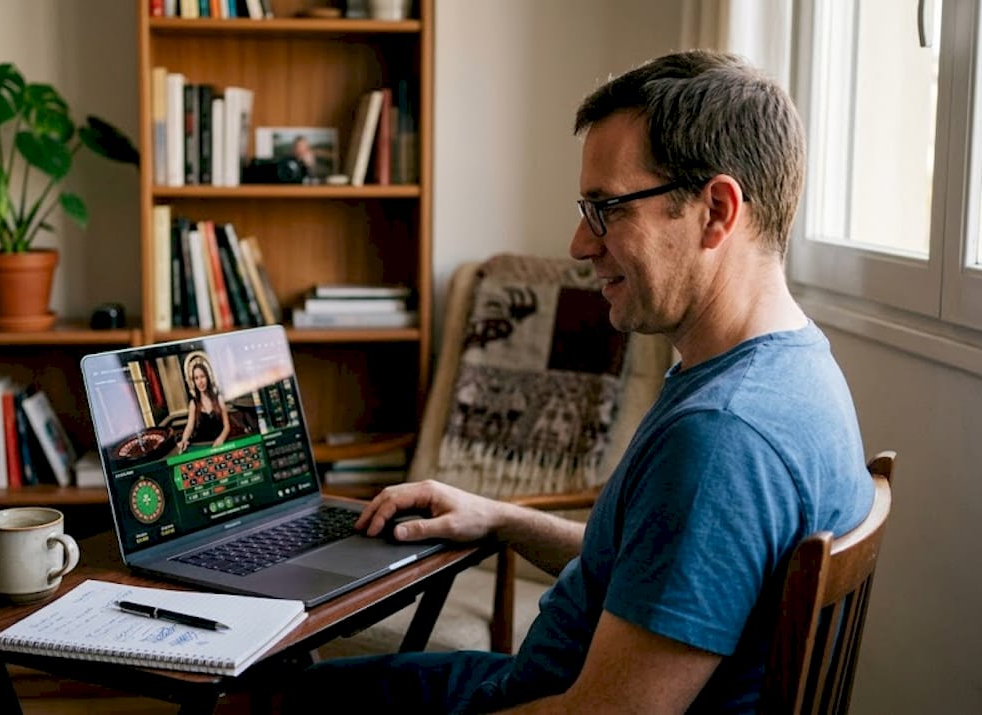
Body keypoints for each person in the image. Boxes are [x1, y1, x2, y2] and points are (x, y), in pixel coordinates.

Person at [281, 49, 876, 714]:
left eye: (607, 208)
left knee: (269, 697)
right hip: (534, 680)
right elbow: (659, 571)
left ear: (716, 210)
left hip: (542, 699)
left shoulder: (720, 440)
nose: (579, 243)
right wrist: (500, 517)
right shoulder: (795, 370)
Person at [176, 357, 233, 452]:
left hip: (218, 445)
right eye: (196, 378)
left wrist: (221, 439)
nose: (200, 381)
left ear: (207, 377)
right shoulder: (193, 403)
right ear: (193, 382)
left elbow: (227, 426)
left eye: (202, 376)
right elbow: (189, 427)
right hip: (201, 446)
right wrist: (184, 440)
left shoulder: (218, 399)